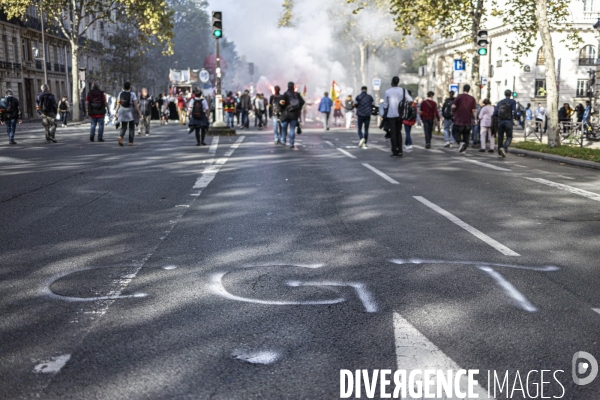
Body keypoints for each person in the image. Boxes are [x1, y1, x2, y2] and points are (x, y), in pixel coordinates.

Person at [382, 76, 413, 157]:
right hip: (400, 115)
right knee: (399, 132)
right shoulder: (403, 90)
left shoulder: (387, 92)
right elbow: (410, 100)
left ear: (392, 82)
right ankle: (400, 150)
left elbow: (385, 105)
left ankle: (394, 150)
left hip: (391, 115)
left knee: (393, 133)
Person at [451, 84, 477, 153]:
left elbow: (453, 106)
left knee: (455, 132)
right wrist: (475, 119)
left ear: (463, 89)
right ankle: (464, 149)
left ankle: (460, 143)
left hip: (458, 119)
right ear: (469, 90)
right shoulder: (472, 98)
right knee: (466, 135)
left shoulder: (459, 96)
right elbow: (474, 110)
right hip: (468, 120)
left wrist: (453, 112)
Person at [115, 82, 142, 146]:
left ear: (124, 87)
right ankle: (131, 141)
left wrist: (116, 111)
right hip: (130, 111)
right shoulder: (132, 94)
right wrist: (139, 112)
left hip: (122, 110)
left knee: (124, 126)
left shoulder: (120, 94)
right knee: (131, 126)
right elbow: (135, 104)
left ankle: (120, 136)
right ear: (130, 87)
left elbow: (118, 103)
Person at [280, 81, 305, 148]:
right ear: (293, 86)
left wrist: (283, 109)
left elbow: (281, 103)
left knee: (284, 128)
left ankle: (283, 141)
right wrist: (298, 108)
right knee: (292, 129)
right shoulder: (297, 94)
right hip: (294, 114)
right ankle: (291, 143)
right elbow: (302, 102)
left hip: (286, 114)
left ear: (288, 86)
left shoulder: (285, 94)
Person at [493, 89, 517, 157]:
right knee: (509, 136)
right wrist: (515, 117)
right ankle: (504, 147)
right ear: (510, 94)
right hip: (508, 121)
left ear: (505, 94)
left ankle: (499, 151)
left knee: (500, 137)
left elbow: (495, 113)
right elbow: (515, 112)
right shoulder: (512, 101)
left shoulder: (500, 102)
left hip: (500, 122)